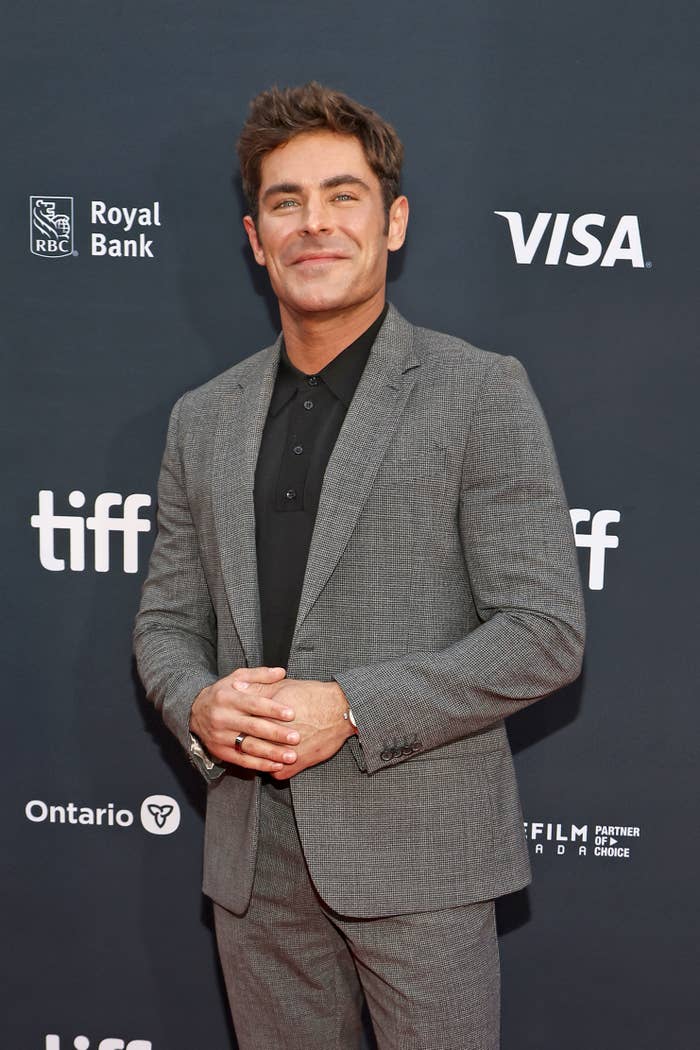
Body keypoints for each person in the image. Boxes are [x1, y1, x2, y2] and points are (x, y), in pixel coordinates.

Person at [133, 81, 585, 1050]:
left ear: (393, 223)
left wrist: (349, 707)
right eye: (284, 202)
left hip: (419, 857)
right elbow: (166, 625)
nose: (314, 224)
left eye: (343, 195)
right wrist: (198, 708)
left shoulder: (478, 393)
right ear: (254, 238)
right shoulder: (200, 418)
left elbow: (545, 633)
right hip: (252, 869)